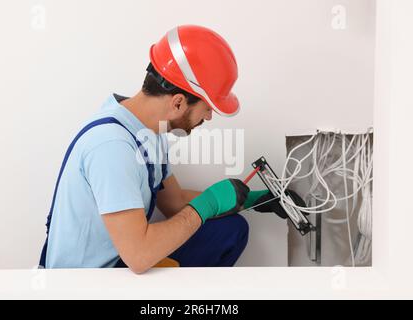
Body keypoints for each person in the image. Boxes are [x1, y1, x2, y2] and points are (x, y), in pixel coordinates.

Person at [39, 25, 277, 273]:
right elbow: (139, 256)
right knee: (213, 233)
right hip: (85, 283)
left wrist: (250, 200)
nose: (208, 117)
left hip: (120, 260)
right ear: (178, 102)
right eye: (207, 107)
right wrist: (209, 203)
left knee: (230, 230)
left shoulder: (150, 132)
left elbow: (174, 202)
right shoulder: (112, 146)